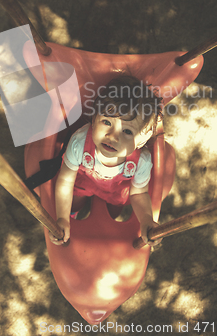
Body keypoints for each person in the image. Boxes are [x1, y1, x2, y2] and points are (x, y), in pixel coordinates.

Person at [48, 75, 163, 246]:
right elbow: (65, 181)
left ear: (142, 141)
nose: (112, 136)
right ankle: (74, 212)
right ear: (94, 119)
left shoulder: (141, 161)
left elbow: (139, 193)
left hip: (116, 190)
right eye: (107, 122)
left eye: (128, 132)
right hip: (83, 181)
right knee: (75, 201)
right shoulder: (80, 142)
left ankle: (108, 214)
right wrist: (62, 218)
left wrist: (146, 219)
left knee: (114, 209)